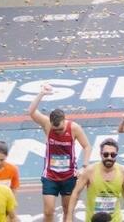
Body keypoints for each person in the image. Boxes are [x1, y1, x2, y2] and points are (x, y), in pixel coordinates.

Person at [30, 88, 90, 222]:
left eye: (61, 129)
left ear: (65, 120)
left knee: (67, 211)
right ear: (50, 123)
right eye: (55, 130)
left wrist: (84, 166)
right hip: (50, 175)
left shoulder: (74, 128)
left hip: (69, 176)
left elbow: (87, 146)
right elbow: (32, 112)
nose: (58, 132)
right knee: (48, 211)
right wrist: (41, 94)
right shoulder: (47, 124)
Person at [79, 139, 124, 222]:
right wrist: (69, 217)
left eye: (113, 155)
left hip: (114, 219)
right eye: (106, 154)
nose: (109, 157)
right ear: (101, 154)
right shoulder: (90, 171)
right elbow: (76, 193)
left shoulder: (122, 171)